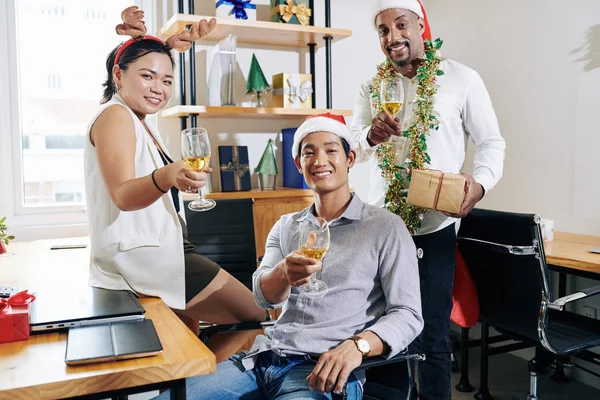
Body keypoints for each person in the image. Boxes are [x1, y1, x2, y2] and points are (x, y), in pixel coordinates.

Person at [154, 113, 424, 400]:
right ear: (299, 164)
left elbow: (408, 314)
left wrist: (358, 347)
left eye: (331, 150)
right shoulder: (285, 226)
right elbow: (263, 297)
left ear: (350, 159)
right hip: (260, 360)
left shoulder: (385, 227)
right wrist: (284, 273)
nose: (320, 160)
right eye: (309, 153)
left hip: (321, 370)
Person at [83, 7, 267, 362]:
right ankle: (195, 384)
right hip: (148, 256)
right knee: (255, 315)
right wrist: (166, 176)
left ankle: (182, 384)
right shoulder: (116, 116)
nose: (159, 88)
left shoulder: (132, 118)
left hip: (156, 249)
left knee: (186, 337)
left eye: (167, 81)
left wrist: (170, 181)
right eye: (148, 76)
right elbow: (122, 194)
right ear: (118, 74)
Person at [350, 1, 507, 398]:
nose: (392, 36)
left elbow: (491, 143)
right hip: (380, 228)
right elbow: (350, 144)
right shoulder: (372, 88)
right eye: (383, 30)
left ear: (421, 27)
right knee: (379, 329)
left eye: (400, 25)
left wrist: (481, 184)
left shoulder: (462, 79)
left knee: (432, 332)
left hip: (434, 226)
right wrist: (371, 136)